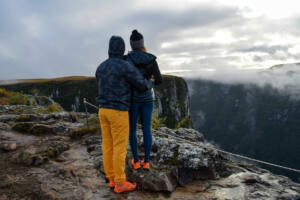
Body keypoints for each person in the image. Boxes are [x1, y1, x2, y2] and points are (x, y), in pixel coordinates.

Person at [95, 35, 153, 193]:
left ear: (109, 49)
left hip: (102, 110)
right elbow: (141, 85)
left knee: (107, 145)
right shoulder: (125, 66)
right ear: (121, 49)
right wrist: (150, 82)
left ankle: (112, 179)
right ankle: (120, 183)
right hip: (118, 111)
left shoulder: (101, 67)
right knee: (119, 147)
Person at [126, 30, 163, 170]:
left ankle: (136, 161)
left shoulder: (127, 59)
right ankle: (146, 162)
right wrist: (149, 84)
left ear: (132, 44)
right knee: (147, 129)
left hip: (133, 99)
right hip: (148, 98)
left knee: (132, 130)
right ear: (142, 44)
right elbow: (159, 80)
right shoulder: (151, 59)